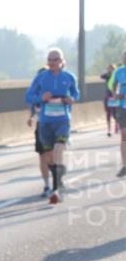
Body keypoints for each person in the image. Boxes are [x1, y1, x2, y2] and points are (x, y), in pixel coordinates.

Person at [25, 48, 80, 204]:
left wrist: (71, 99)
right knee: (49, 157)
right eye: (49, 59)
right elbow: (28, 97)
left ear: (62, 61)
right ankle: (58, 178)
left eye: (55, 59)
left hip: (62, 121)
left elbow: (76, 94)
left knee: (58, 150)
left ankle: (56, 189)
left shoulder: (69, 77)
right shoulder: (41, 77)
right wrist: (41, 97)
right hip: (45, 122)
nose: (52, 62)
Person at [108, 51, 126, 177]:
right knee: (124, 135)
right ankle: (125, 165)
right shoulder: (118, 72)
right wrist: (115, 94)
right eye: (124, 57)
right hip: (122, 107)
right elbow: (111, 85)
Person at [101, 64, 119, 138]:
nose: (110, 70)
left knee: (114, 113)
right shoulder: (107, 76)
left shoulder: (117, 76)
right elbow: (101, 76)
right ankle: (109, 130)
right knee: (108, 113)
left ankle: (117, 124)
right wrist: (108, 73)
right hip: (108, 96)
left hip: (114, 96)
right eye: (109, 69)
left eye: (111, 69)